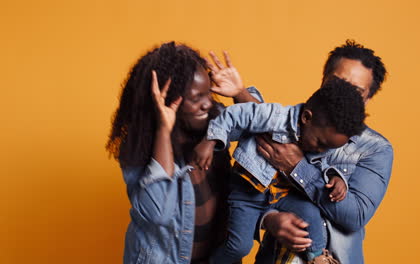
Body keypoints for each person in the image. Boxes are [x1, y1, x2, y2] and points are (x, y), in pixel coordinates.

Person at [107, 42, 256, 264]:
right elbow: (159, 214)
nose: (207, 104)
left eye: (209, 94)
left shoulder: (215, 122)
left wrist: (240, 92)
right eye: (197, 98)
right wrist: (163, 130)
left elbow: (271, 133)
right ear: (167, 100)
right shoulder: (140, 146)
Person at [193, 77, 365, 264]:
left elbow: (321, 164)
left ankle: (316, 257)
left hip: (283, 196)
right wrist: (210, 141)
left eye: (328, 148)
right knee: (239, 247)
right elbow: (234, 115)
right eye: (320, 144)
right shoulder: (275, 116)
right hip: (249, 194)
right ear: (306, 118)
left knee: (311, 214)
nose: (321, 150)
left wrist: (336, 178)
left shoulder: (322, 137)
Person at [254, 40, 393, 264]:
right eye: (336, 83)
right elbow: (245, 191)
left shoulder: (376, 149)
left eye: (356, 91)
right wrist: (268, 220)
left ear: (368, 98)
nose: (342, 95)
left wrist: (297, 167)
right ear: (323, 80)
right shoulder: (286, 126)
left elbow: (354, 216)